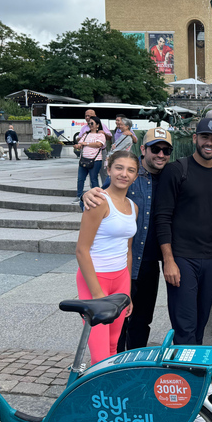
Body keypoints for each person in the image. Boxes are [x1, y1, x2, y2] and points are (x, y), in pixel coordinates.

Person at [83, 128, 173, 352]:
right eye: (155, 149)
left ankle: (134, 364)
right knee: (116, 322)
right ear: (143, 149)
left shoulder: (171, 176)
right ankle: (113, 364)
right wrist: (85, 195)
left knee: (142, 320)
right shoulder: (129, 173)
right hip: (124, 263)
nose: (160, 154)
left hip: (150, 262)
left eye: (166, 150)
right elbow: (99, 199)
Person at [154, 118, 212, 346]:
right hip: (181, 258)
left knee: (200, 323)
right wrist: (168, 260)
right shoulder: (176, 170)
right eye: (205, 137)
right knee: (185, 324)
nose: (209, 143)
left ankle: (196, 373)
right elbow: (162, 218)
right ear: (195, 138)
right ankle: (186, 377)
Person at [75, 150, 138, 364]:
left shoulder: (133, 207)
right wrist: (97, 294)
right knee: (100, 353)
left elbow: (128, 251)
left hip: (120, 278)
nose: (124, 174)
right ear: (108, 169)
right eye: (119, 168)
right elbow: (82, 250)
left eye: (131, 170)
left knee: (113, 344)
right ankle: (97, 394)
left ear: (136, 176)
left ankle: (109, 394)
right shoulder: (99, 201)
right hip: (95, 277)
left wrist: (127, 292)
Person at [74, 116, 106, 204]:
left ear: (97, 125)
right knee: (80, 179)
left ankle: (97, 196)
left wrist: (86, 143)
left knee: (93, 179)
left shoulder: (101, 135)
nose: (90, 125)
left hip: (95, 160)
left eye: (92, 123)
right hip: (83, 159)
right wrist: (78, 146)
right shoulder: (86, 134)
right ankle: (79, 195)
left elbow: (99, 144)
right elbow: (80, 144)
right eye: (89, 123)